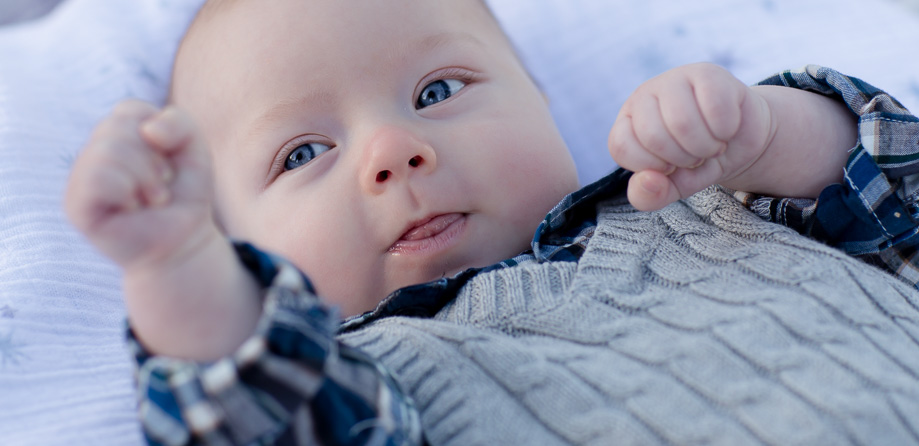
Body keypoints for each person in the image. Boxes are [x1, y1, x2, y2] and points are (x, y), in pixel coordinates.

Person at [64, 0, 919, 444]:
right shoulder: (367, 387)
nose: (393, 152)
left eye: (436, 91)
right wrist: (175, 263)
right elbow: (257, 413)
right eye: (302, 153)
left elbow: (895, 196)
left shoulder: (697, 194)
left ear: (539, 100)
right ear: (241, 247)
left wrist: (764, 134)